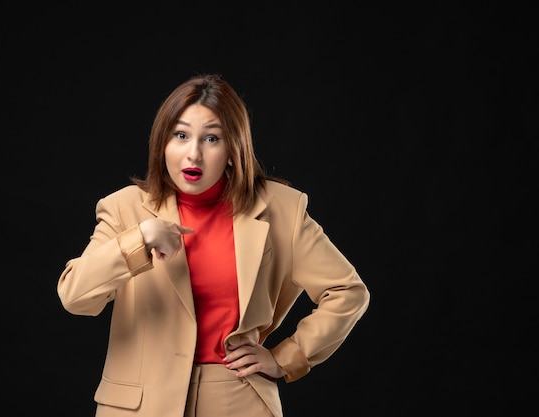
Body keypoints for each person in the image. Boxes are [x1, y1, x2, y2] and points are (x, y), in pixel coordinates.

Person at [57, 73, 370, 417]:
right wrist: (139, 238)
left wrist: (286, 357)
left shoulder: (281, 209)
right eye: (180, 135)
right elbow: (75, 296)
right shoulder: (124, 208)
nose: (193, 153)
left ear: (234, 149)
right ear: (163, 143)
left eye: (211, 139)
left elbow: (347, 291)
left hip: (237, 398)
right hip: (139, 405)